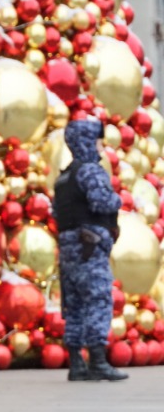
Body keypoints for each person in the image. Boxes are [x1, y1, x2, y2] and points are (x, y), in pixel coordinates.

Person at [52, 118, 128, 382]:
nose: (100, 146)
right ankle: (97, 362)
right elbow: (102, 201)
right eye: (96, 140)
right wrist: (119, 197)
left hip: (69, 249)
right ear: (86, 141)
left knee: (73, 305)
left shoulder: (63, 177)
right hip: (90, 246)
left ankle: (77, 364)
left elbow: (57, 213)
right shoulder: (90, 171)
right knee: (97, 300)